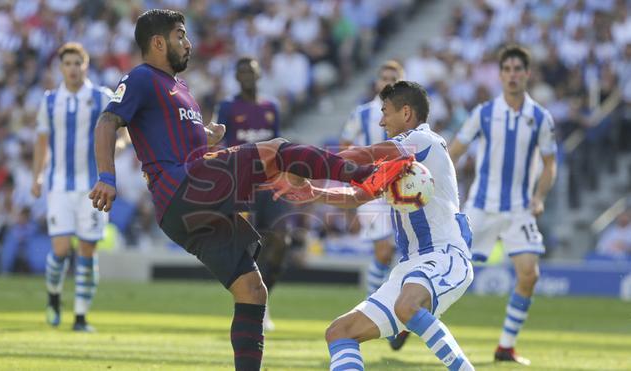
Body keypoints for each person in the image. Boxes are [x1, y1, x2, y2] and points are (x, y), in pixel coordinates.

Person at [88, 9, 411, 370]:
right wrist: (106, 177)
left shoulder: (180, 90)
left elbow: (176, 144)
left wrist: (206, 138)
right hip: (185, 187)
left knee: (252, 291)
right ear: (158, 42)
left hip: (184, 208)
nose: (188, 43)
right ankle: (366, 175)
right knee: (279, 148)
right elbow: (107, 121)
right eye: (181, 35)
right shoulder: (141, 78)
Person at [267, 81, 475, 371]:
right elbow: (357, 196)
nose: (380, 120)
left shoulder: (426, 140)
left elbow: (366, 154)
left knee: (407, 306)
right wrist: (313, 192)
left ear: (406, 113)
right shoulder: (399, 161)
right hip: (409, 267)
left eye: (385, 112)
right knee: (340, 332)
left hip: (445, 255)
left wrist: (306, 164)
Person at [448, 44, 557, 365]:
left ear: (527, 74)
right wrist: (444, 193)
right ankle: (408, 317)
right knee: (449, 270)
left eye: (517, 70)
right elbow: (453, 152)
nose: (512, 75)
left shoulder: (540, 117)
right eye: (506, 70)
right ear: (500, 75)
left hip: (520, 209)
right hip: (481, 206)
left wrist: (539, 196)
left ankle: (505, 347)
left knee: (529, 275)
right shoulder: (483, 112)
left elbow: (550, 163)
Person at [31, 42, 112, 332]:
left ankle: (80, 317)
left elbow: (121, 130)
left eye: (78, 63)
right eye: (68, 64)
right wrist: (37, 176)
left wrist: (122, 145)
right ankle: (54, 297)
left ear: (86, 65)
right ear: (61, 68)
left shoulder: (101, 97)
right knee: (61, 249)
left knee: (88, 250)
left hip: (93, 187)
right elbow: (42, 142)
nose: (73, 68)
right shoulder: (50, 101)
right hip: (60, 187)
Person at [214, 57, 291, 332]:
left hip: (270, 183)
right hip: (241, 183)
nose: (247, 76)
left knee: (282, 240)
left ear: (260, 75)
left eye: (251, 71)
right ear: (236, 76)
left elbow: (278, 145)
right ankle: (252, 303)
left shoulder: (271, 107)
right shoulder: (227, 107)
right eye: (242, 71)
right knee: (249, 247)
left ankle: (264, 297)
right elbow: (219, 142)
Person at [340, 60, 411, 350]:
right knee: (383, 251)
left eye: (394, 78)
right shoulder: (363, 113)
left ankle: (386, 315)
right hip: (371, 190)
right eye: (384, 77)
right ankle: (375, 315)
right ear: (377, 81)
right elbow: (344, 146)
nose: (387, 81)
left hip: (403, 191)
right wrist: (354, 175)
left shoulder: (408, 117)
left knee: (400, 255)